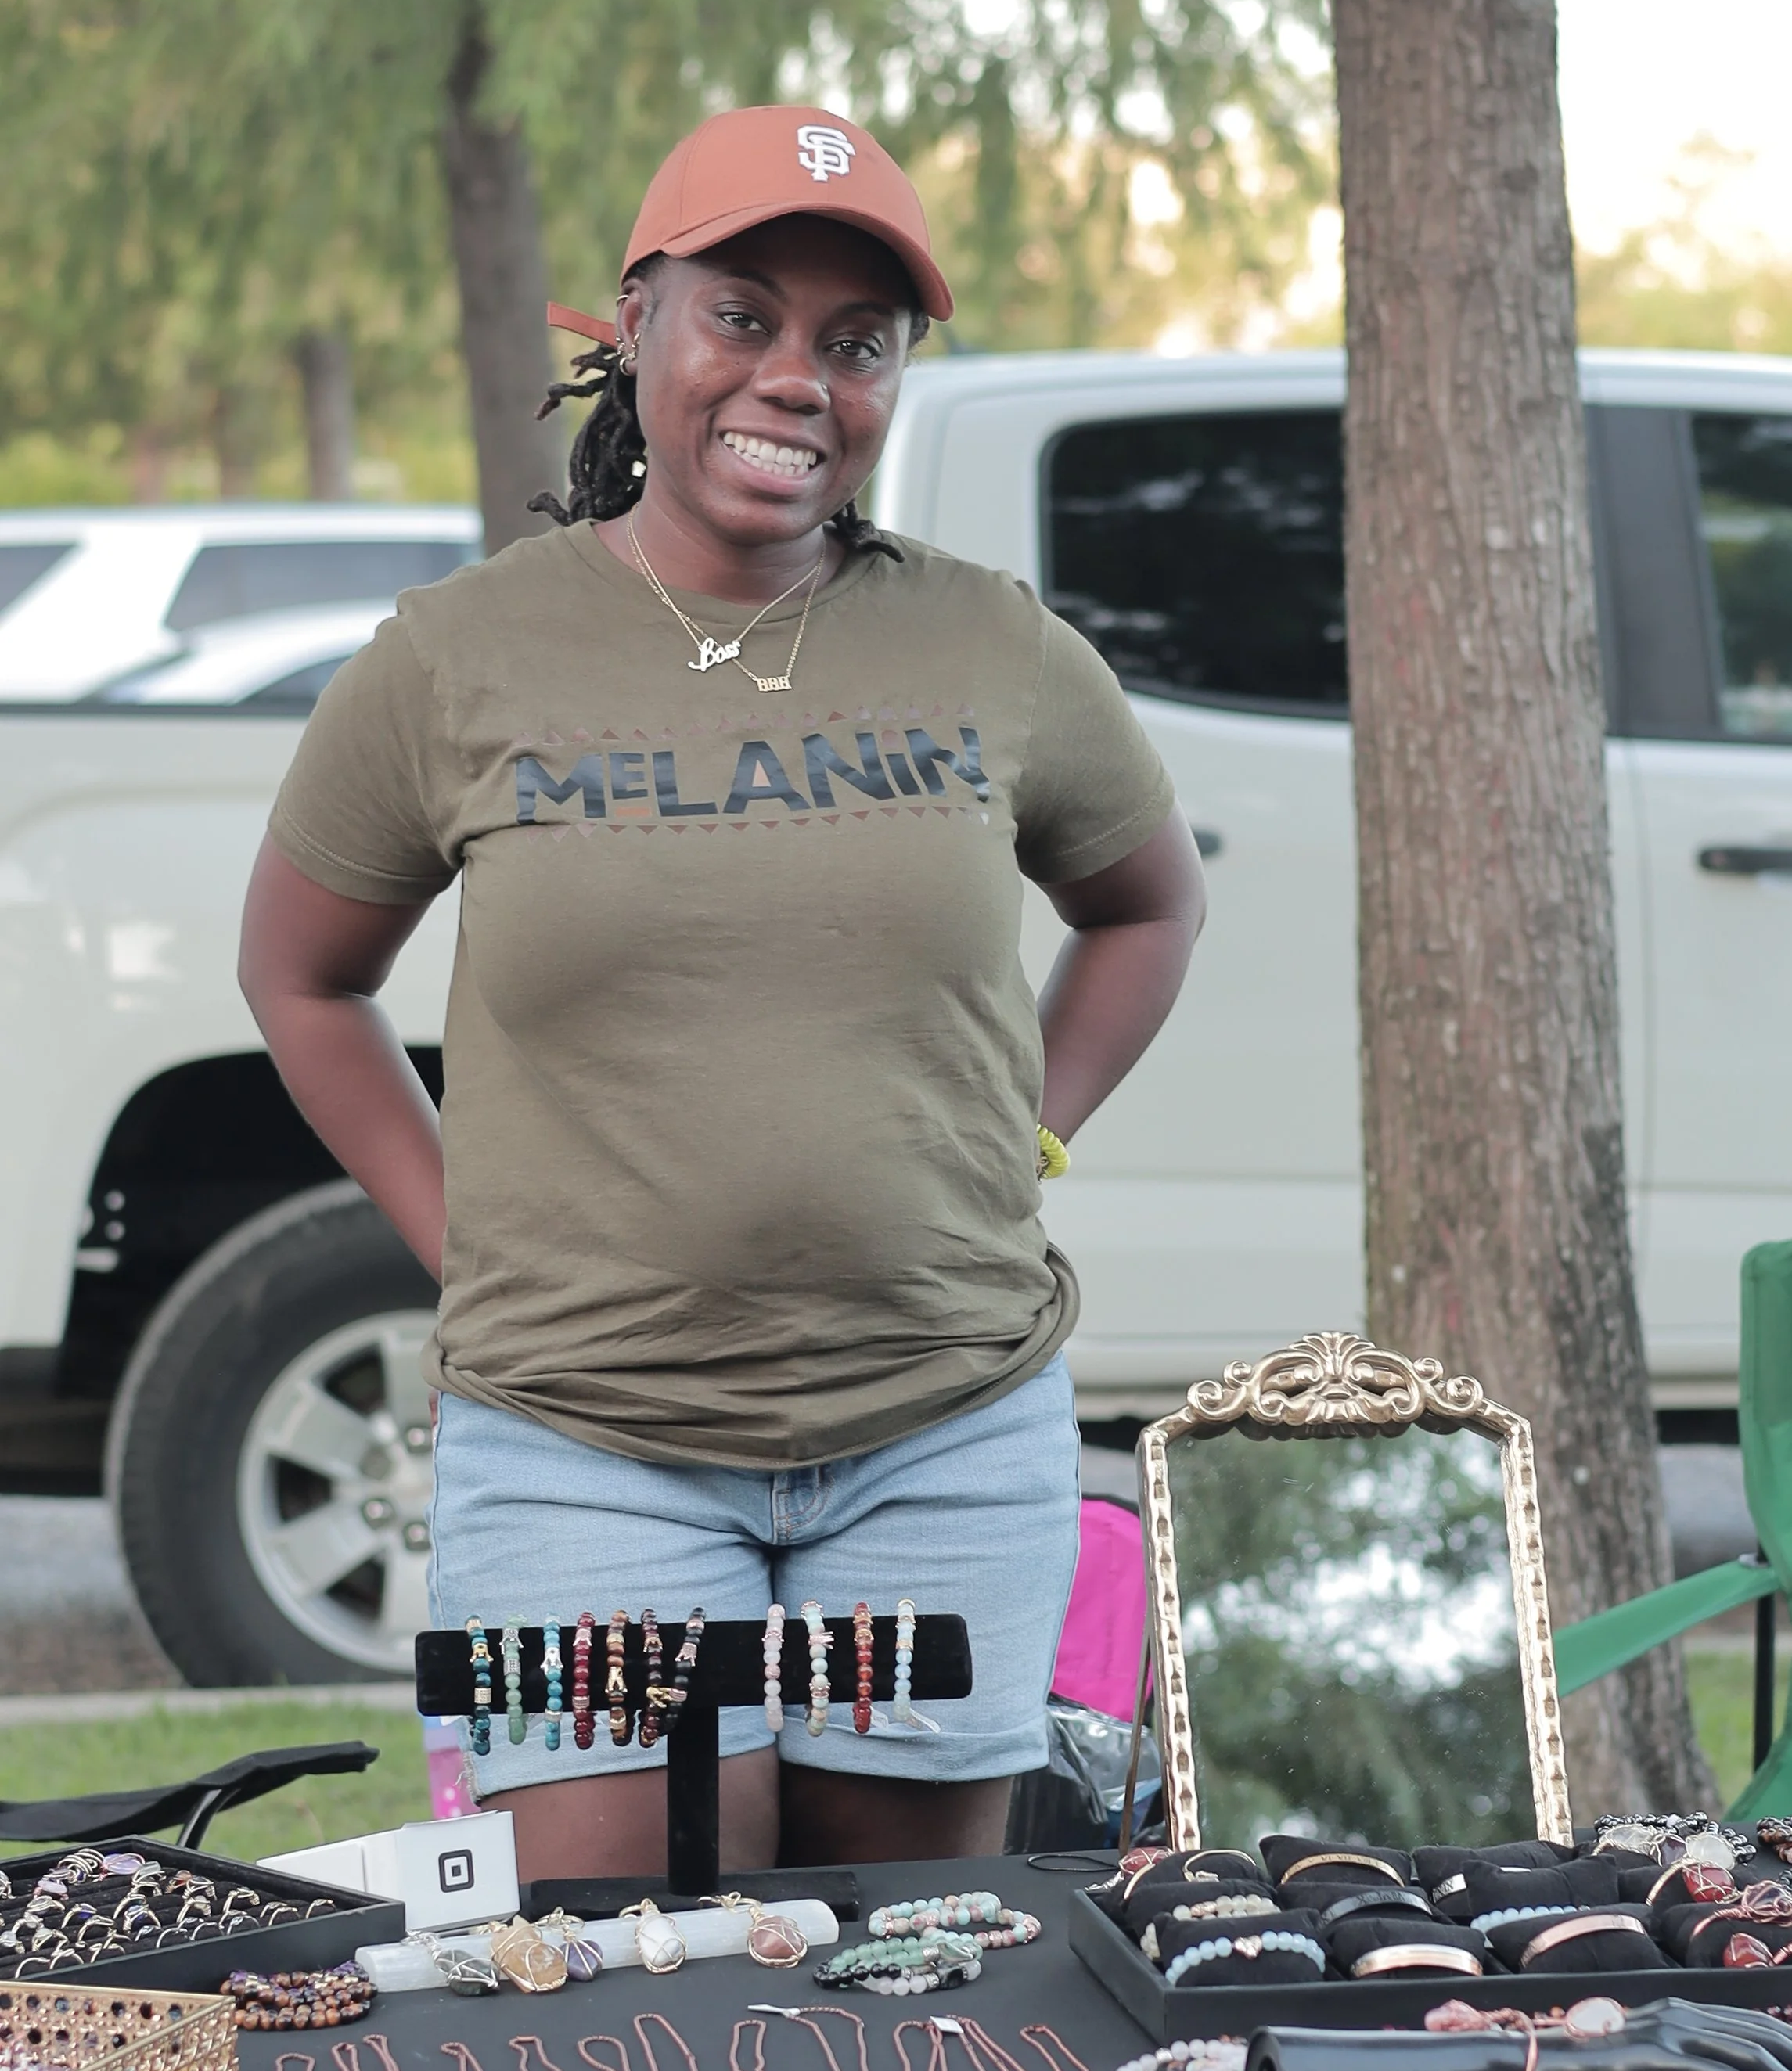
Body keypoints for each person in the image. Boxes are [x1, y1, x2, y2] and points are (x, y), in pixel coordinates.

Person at [239, 102, 1204, 1879]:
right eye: (741, 315)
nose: (795, 381)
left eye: (856, 345)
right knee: (616, 1984)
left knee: (907, 1972)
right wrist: (454, 1235)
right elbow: (302, 977)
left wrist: (1024, 1140)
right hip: (582, 1449)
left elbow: (1146, 908)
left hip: (938, 1430)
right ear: (635, 326)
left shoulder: (991, 646)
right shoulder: (457, 659)